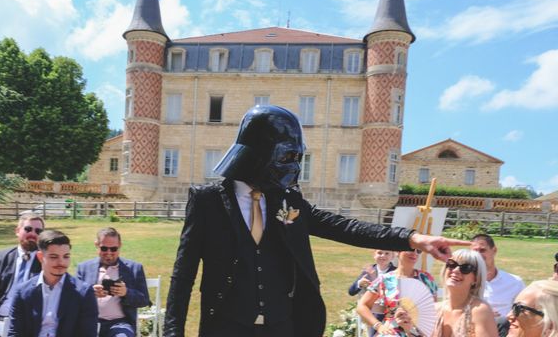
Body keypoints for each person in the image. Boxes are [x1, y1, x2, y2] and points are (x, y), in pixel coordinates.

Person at [164, 105, 467, 337]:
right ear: (257, 155)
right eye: (286, 159)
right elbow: (183, 274)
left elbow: (343, 227)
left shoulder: (289, 201)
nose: (294, 168)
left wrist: (413, 238)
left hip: (282, 325)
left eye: (298, 159)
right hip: (226, 326)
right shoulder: (207, 202)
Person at [7, 229, 98, 337]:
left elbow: (88, 334)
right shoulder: (23, 292)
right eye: (54, 257)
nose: (61, 262)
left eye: (66, 256)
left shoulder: (83, 293)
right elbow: (15, 333)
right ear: (40, 257)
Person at [76, 227, 151, 337]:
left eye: (114, 249)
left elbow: (144, 300)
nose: (109, 252)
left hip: (120, 323)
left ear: (120, 246)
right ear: (96, 245)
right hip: (91, 322)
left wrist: (126, 292)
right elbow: (73, 298)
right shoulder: (84, 268)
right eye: (104, 248)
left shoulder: (134, 268)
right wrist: (89, 293)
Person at [357, 249, 438, 336]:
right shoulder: (386, 279)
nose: (414, 253)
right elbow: (362, 306)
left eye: (418, 251)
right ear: (398, 252)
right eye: (410, 249)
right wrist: (379, 326)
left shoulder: (426, 279)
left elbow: (435, 310)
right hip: (392, 331)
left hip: (419, 331)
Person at [0, 212, 44, 319]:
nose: (33, 234)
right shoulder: (3, 256)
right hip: (1, 315)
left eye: (38, 231)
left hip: (29, 319)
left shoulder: (45, 260)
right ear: (17, 231)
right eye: (28, 229)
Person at [431, 249, 498, 336]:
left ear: (476, 279)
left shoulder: (479, 311)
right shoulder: (434, 310)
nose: (455, 270)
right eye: (452, 264)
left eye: (465, 268)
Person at [471, 234, 525, 336]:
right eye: (475, 251)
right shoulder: (466, 282)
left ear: (494, 250)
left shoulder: (515, 282)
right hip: (473, 329)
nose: (478, 255)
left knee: (502, 322)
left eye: (482, 250)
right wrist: (484, 315)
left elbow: (523, 312)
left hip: (506, 331)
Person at [349, 249, 396, 337]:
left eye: (387, 253)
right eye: (379, 253)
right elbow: (351, 291)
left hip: (389, 315)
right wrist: (359, 283)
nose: (383, 256)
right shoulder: (368, 271)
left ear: (393, 256)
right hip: (371, 314)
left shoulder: (395, 272)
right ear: (374, 254)